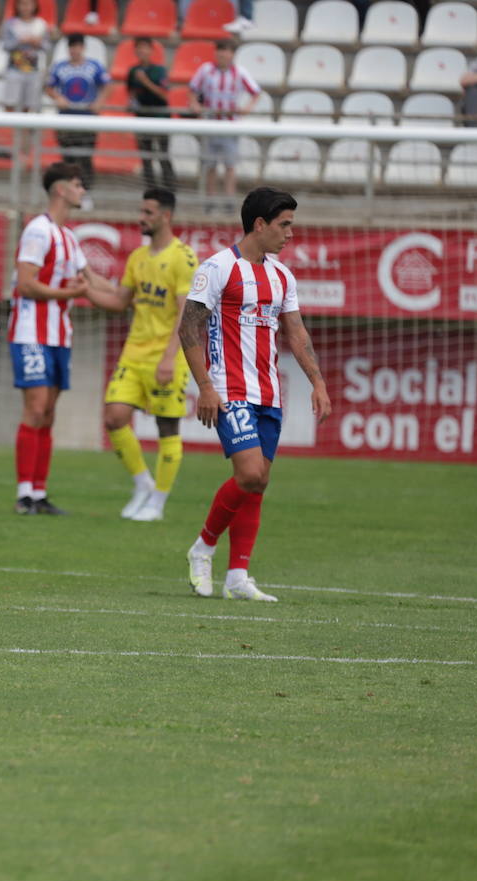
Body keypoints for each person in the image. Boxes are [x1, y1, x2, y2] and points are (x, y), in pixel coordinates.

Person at [179, 187, 331, 602]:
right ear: (259, 224)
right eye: (284, 225)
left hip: (270, 393)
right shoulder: (217, 268)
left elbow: (296, 333)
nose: (290, 234)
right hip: (230, 390)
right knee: (249, 474)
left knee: (258, 484)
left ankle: (238, 577)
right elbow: (188, 327)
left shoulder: (282, 276)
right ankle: (203, 547)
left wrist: (317, 382)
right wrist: (206, 387)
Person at [85, 189, 197, 522]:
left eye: (148, 212)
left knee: (167, 427)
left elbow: (186, 314)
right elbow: (120, 301)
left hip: (167, 355)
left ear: (166, 216)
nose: (141, 218)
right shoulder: (138, 257)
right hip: (134, 354)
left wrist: (168, 358)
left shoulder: (184, 258)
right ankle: (143, 484)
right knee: (114, 417)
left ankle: (158, 503)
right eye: (141, 211)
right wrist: (84, 288)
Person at [8, 161, 105, 516]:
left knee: (48, 413)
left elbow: (91, 281)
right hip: (31, 332)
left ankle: (39, 492)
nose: (83, 191)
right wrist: (69, 295)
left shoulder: (68, 236)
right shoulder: (38, 230)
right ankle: (23, 495)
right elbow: (26, 283)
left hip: (59, 335)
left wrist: (133, 294)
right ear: (61, 189)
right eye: (78, 185)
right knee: (34, 408)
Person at [188, 38, 259, 203]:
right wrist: (194, 104)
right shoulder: (206, 70)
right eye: (220, 50)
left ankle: (229, 200)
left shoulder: (240, 72)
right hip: (210, 124)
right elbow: (192, 89)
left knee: (230, 165)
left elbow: (256, 92)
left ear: (232, 54)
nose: (223, 54)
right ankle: (210, 201)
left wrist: (247, 107)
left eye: (227, 51)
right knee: (210, 165)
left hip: (230, 125)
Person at [47, 34, 108, 196]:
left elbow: (107, 85)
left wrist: (99, 101)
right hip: (66, 119)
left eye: (78, 46)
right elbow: (48, 86)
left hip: (87, 119)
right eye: (72, 47)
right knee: (68, 158)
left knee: (85, 157)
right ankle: (68, 191)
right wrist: (58, 98)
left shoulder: (94, 66)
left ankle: (85, 192)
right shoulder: (59, 67)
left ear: (83, 48)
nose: (75, 50)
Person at [127, 36, 175, 191]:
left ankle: (170, 188)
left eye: (145, 47)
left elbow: (164, 94)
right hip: (141, 118)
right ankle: (151, 189)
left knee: (162, 154)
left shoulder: (159, 71)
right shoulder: (133, 71)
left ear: (151, 50)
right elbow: (131, 92)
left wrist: (146, 81)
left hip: (160, 118)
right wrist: (131, 102)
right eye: (139, 47)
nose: (142, 51)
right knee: (146, 157)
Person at [0, 0, 52, 115]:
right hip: (14, 69)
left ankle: (24, 132)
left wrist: (38, 43)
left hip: (33, 70)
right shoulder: (11, 24)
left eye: (28, 4)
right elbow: (5, 45)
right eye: (22, 4)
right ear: (17, 6)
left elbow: (47, 46)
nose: (25, 7)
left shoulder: (41, 24)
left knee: (29, 106)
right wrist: (19, 41)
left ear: (34, 6)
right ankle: (8, 131)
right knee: (10, 103)